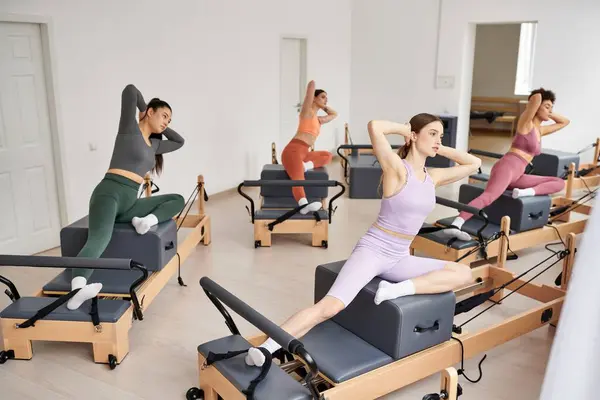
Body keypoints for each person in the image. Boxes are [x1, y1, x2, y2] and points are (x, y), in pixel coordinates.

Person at [245, 113, 480, 367]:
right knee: (329, 307)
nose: (437, 140)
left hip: (400, 257)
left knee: (463, 273)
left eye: (441, 135)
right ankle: (268, 348)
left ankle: (396, 289)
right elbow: (375, 127)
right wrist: (407, 131)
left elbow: (474, 163)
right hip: (375, 250)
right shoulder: (397, 168)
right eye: (432, 134)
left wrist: (436, 144)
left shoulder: (431, 176)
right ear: (413, 136)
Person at [66, 84, 186, 311]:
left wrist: (161, 126)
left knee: (177, 199)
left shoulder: (156, 144)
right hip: (108, 194)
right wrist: (143, 109)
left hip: (129, 203)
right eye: (164, 116)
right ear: (150, 111)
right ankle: (77, 291)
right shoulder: (129, 128)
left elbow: (180, 141)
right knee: (99, 239)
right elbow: (130, 91)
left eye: (169, 120)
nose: (166, 123)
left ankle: (146, 221)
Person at [443, 88, 569, 241]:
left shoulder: (540, 131)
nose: (550, 111)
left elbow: (565, 122)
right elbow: (536, 97)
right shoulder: (525, 123)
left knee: (559, 182)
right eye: (547, 106)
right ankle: (456, 225)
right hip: (507, 167)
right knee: (488, 197)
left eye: (552, 107)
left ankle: (524, 192)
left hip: (518, 176)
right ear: (537, 107)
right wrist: (540, 103)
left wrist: (548, 111)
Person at [281, 80, 338, 214]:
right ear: (314, 98)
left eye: (326, 98)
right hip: (293, 151)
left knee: (328, 155)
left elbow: (334, 115)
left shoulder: (318, 120)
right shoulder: (307, 112)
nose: (326, 100)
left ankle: (304, 166)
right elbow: (309, 92)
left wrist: (323, 105)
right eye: (323, 97)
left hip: (304, 153)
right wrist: (312, 90)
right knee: (298, 178)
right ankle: (303, 205)